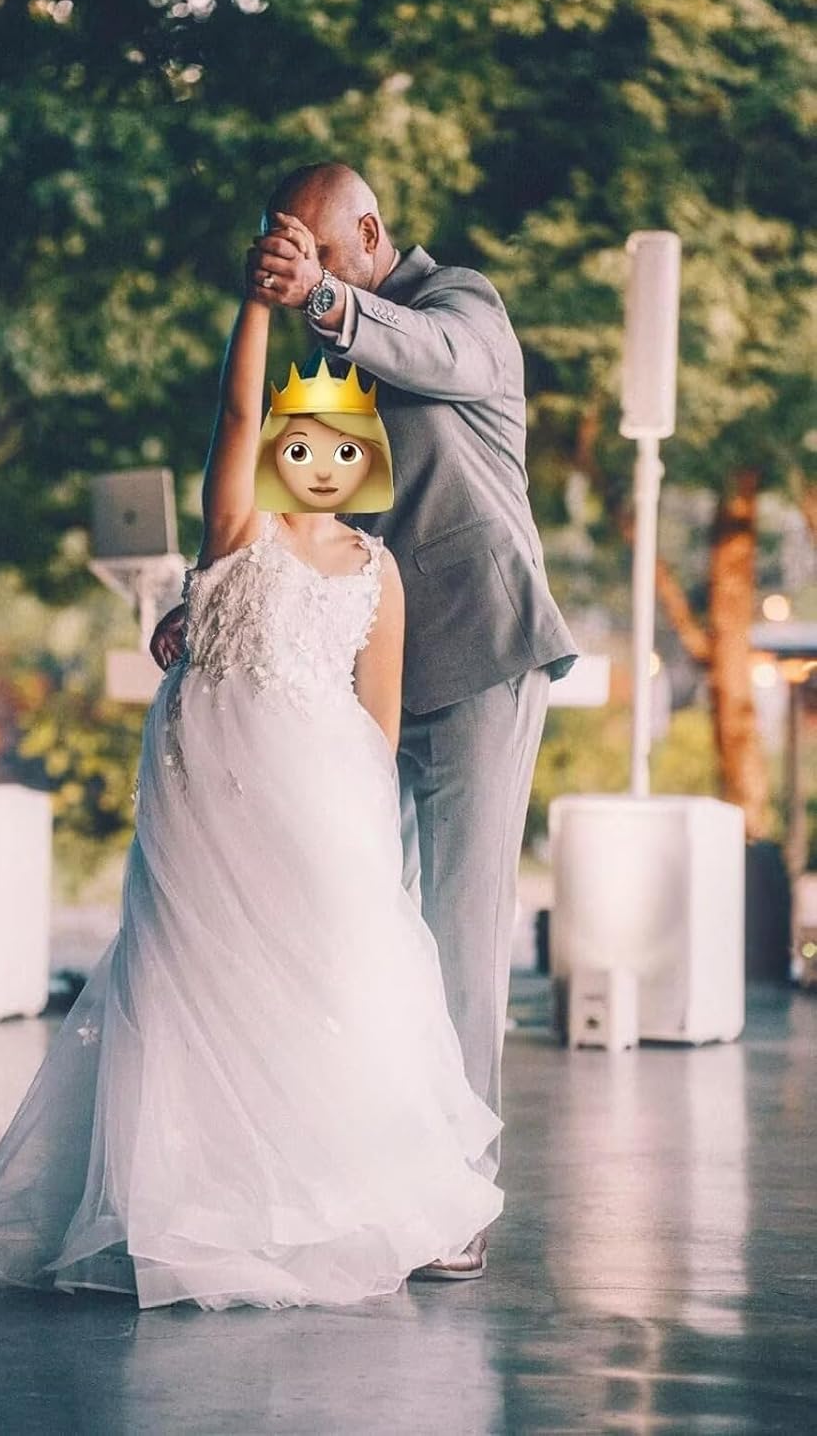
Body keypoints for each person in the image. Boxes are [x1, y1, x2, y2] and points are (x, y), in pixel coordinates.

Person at [0, 263, 504, 1313]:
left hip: (324, 799)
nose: (320, 463)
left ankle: (314, 1200)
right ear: (277, 453)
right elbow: (235, 412)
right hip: (211, 785)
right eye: (302, 445)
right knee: (186, 973)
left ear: (366, 462)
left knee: (322, 982)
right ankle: (189, 1206)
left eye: (343, 448)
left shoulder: (378, 570)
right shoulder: (241, 531)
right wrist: (257, 304)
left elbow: (378, 719)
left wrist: (361, 835)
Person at [152, 162, 577, 1278]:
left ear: (370, 234)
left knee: (456, 926)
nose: (303, 274)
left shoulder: (461, 305)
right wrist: (202, 595)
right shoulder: (328, 355)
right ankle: (363, 1179)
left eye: (320, 253)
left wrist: (324, 300)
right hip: (354, 682)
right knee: (356, 926)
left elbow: (435, 358)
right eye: (287, 255)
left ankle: (461, 1200)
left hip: (480, 654)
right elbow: (287, 497)